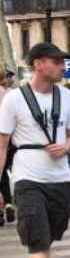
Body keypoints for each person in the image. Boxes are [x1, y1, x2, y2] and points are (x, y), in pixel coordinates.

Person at [0, 43, 70, 258]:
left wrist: (66, 146)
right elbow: (2, 145)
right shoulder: (13, 100)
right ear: (38, 65)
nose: (62, 66)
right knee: (38, 242)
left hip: (59, 180)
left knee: (43, 244)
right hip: (27, 177)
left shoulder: (67, 96)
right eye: (57, 61)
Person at [0, 70, 15, 226]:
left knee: (1, 173)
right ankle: (9, 203)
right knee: (4, 170)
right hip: (11, 137)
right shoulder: (12, 93)